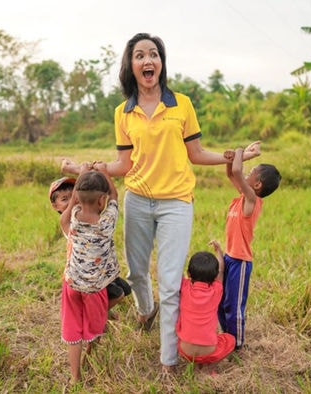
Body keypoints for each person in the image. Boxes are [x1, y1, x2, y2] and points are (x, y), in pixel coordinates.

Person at [62, 32, 260, 373]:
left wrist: (233, 155)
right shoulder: (123, 112)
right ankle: (145, 309)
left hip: (176, 204)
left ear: (161, 63)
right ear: (131, 65)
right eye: (140, 56)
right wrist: (92, 167)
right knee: (137, 273)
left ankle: (168, 361)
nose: (147, 60)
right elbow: (124, 165)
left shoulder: (180, 104)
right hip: (138, 200)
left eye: (153, 54)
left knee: (170, 284)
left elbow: (195, 153)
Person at [59, 163, 121, 384]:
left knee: (73, 330)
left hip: (72, 284)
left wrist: (82, 174)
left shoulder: (74, 217)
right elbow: (115, 195)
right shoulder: (106, 223)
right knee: (95, 326)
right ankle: (89, 358)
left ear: (77, 197)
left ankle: (75, 377)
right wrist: (104, 171)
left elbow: (69, 211)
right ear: (102, 201)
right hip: (94, 289)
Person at [217, 147, 281, 350]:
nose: (246, 172)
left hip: (240, 262)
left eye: (251, 171)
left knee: (234, 305)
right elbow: (230, 172)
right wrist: (230, 158)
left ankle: (237, 344)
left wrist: (240, 151)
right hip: (228, 258)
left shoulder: (252, 200)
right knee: (221, 300)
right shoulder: (242, 197)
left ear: (257, 184)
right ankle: (225, 337)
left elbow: (236, 172)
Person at [49, 175, 131, 319]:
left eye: (73, 196)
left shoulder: (84, 215)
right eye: (64, 199)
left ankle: (100, 310)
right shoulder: (69, 222)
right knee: (118, 294)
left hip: (103, 271)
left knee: (125, 289)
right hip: (89, 276)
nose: (71, 202)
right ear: (55, 206)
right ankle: (95, 314)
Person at [176, 240, 235, 373]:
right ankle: (209, 367)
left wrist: (180, 254)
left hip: (185, 350)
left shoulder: (184, 288)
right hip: (209, 350)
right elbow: (220, 271)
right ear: (214, 276)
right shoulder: (216, 291)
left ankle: (196, 365)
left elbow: (176, 270)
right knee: (230, 340)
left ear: (189, 274)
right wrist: (219, 251)